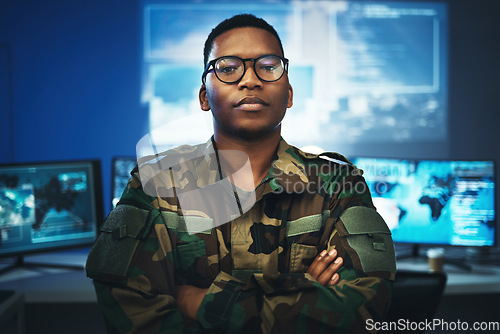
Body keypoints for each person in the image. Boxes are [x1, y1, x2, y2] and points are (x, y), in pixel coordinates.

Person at [86, 14, 396, 333]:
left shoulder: (338, 185)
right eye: (228, 68)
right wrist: (301, 290)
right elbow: (129, 309)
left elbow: (364, 309)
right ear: (204, 96)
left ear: (289, 94)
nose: (250, 80)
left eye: (268, 66)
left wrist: (197, 302)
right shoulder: (156, 183)